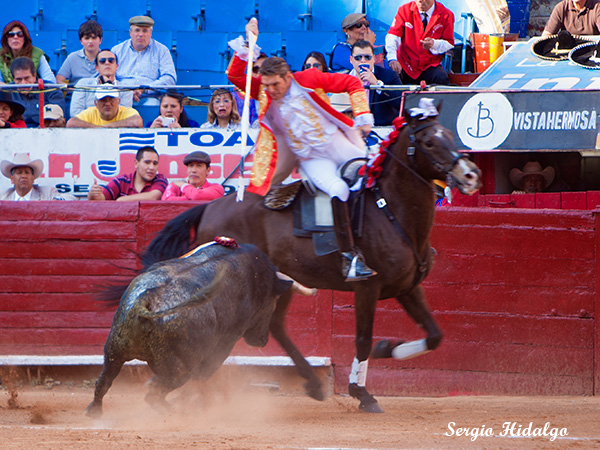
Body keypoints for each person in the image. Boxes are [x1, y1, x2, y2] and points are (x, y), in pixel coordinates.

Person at [227, 18, 376, 282]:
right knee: (339, 190)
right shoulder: (264, 91)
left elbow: (351, 84)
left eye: (275, 84)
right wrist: (247, 45)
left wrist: (363, 116)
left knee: (370, 177)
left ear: (288, 77)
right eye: (266, 85)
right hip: (311, 159)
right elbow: (236, 77)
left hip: (338, 143)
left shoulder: (309, 78)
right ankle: (350, 257)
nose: (270, 90)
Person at [385, 0, 454, 85]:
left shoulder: (446, 15)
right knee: (392, 79)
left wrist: (434, 44)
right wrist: (392, 58)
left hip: (429, 65)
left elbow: (449, 43)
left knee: (442, 79)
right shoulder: (404, 10)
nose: (420, 1)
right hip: (405, 64)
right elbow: (393, 36)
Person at [111, 15, 176, 105]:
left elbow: (170, 78)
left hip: (150, 96)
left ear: (151, 33)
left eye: (145, 31)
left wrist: (145, 89)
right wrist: (127, 91)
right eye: (137, 30)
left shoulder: (162, 51)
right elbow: (109, 76)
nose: (141, 34)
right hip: (121, 96)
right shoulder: (117, 50)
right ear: (130, 33)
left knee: (153, 104)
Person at [349, 40, 402, 126]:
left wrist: (377, 84)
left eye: (367, 57)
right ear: (351, 60)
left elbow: (401, 103)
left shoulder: (389, 76)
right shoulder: (345, 79)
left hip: (382, 128)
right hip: (354, 127)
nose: (363, 61)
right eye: (358, 58)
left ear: (373, 59)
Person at [87, 146, 167, 201]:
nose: (152, 167)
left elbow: (153, 197)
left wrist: (121, 200)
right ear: (136, 163)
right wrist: (93, 194)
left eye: (155, 163)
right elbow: (101, 199)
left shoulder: (160, 180)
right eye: (147, 162)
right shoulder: (122, 181)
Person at [69, 49, 134, 117]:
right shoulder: (83, 84)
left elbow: (124, 115)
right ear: (97, 68)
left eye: (111, 60)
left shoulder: (126, 89)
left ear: (117, 66)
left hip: (116, 124)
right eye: (102, 61)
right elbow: (75, 113)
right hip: (87, 123)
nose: (107, 63)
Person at [9, 57, 65, 128]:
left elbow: (58, 118)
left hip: (45, 131)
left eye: (27, 78)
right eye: (19, 79)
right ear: (13, 79)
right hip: (14, 130)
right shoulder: (6, 91)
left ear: (34, 76)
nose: (23, 83)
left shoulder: (51, 89)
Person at [66, 86, 142, 128]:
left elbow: (137, 122)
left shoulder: (126, 111)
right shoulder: (91, 112)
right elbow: (71, 123)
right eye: (103, 100)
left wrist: (108, 127)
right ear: (96, 103)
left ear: (118, 101)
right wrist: (98, 128)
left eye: (111, 100)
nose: (108, 103)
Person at [56, 20, 102, 85]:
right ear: (81, 41)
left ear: (100, 40)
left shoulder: (107, 58)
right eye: (87, 38)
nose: (90, 41)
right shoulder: (72, 57)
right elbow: (58, 80)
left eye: (94, 38)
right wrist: (72, 89)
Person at [232, 51, 267, 126]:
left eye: (264, 68)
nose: (260, 72)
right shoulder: (235, 96)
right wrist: (244, 50)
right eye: (255, 69)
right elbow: (235, 76)